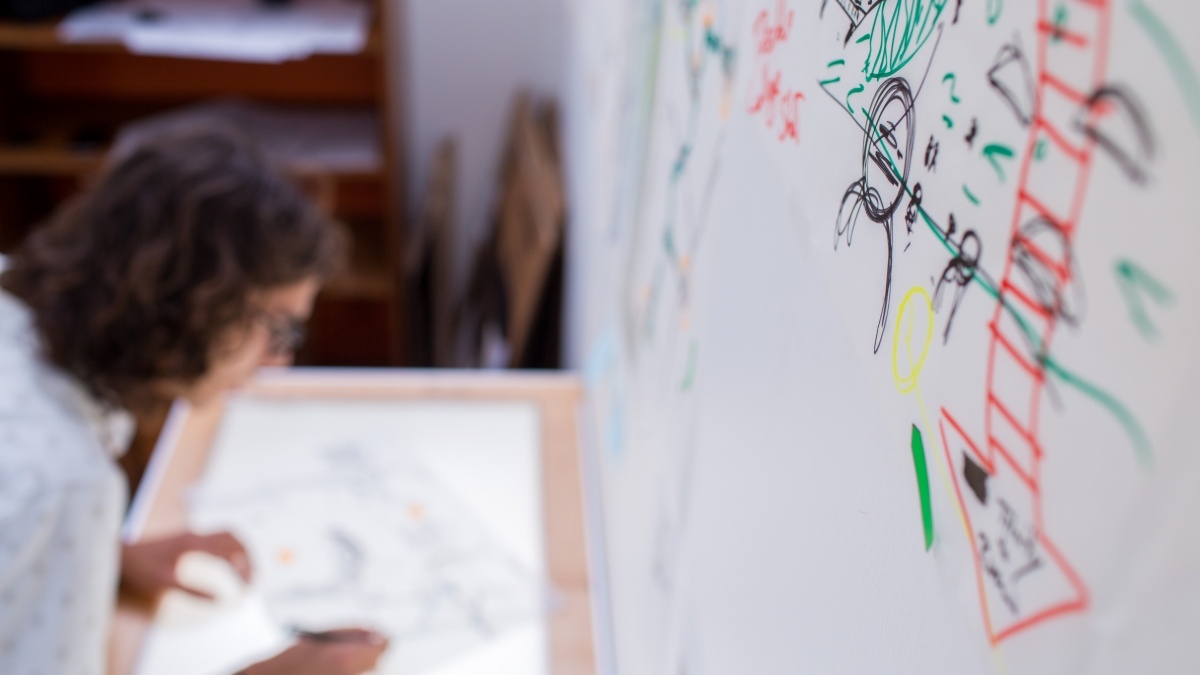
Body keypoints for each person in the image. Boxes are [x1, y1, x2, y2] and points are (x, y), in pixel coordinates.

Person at [0, 127, 388, 674]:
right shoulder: (66, 482)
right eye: (277, 331)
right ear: (193, 311)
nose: (278, 364)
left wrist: (103, 560)